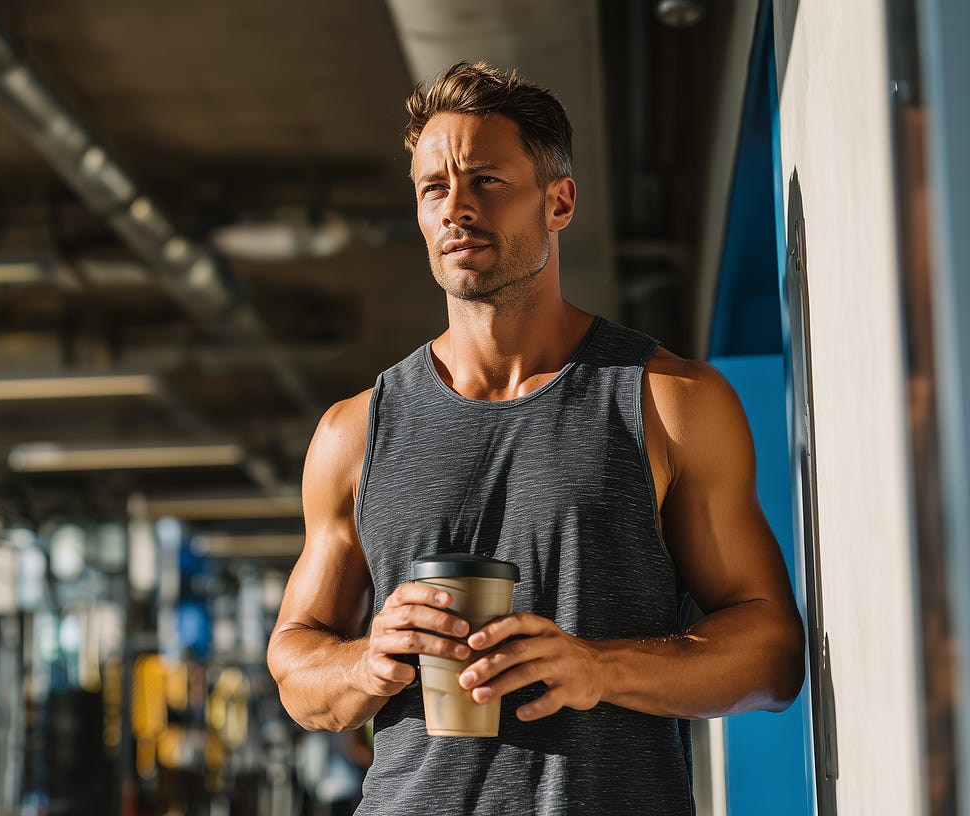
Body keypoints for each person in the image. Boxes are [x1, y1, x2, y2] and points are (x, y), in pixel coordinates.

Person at [266, 61, 805, 815]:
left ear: (559, 201)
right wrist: (368, 664)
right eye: (433, 188)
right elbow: (296, 665)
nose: (456, 208)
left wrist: (601, 668)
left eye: (486, 181)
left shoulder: (667, 401)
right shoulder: (354, 432)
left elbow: (773, 654)